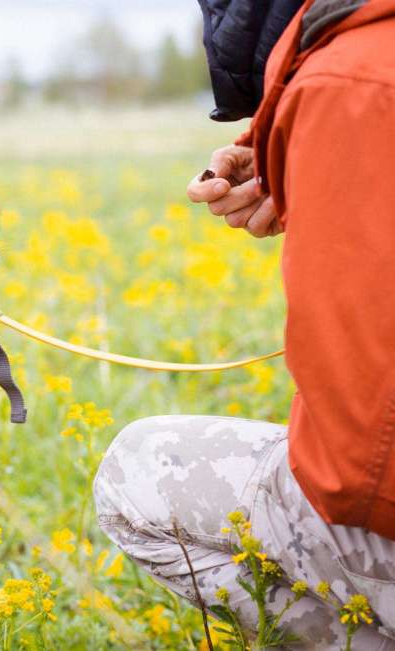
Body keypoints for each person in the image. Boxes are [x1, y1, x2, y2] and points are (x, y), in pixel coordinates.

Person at [93, 0, 395, 647]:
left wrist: (332, 143)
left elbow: (360, 469)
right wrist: (307, 173)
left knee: (137, 475)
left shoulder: (351, 81)